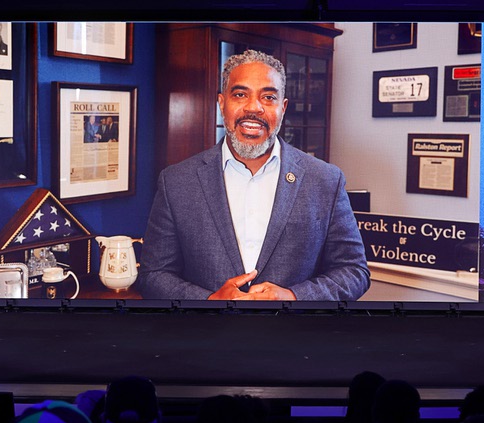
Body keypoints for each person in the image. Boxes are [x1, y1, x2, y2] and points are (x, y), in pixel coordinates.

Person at [137, 49, 369, 301]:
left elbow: (354, 271)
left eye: (268, 97)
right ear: (222, 103)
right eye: (240, 94)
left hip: (294, 336)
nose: (253, 108)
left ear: (283, 107)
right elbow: (154, 274)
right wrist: (209, 302)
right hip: (209, 336)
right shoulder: (177, 182)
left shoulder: (325, 180)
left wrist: (293, 297)